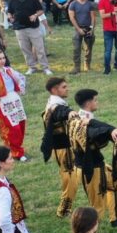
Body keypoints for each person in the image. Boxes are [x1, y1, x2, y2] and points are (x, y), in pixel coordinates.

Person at [68, 89, 117, 227]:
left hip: (91, 165)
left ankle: (115, 218)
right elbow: (96, 132)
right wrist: (110, 131)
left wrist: (110, 129)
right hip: (90, 169)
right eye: (95, 100)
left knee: (114, 183)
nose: (97, 102)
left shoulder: (76, 117)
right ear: (89, 103)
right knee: (97, 205)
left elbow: (95, 124)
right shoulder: (84, 124)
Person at [40, 77, 81, 219]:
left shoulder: (55, 102)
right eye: (63, 87)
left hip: (64, 147)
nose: (67, 88)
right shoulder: (56, 105)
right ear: (54, 90)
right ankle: (63, 210)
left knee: (72, 176)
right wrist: (69, 113)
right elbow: (60, 112)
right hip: (64, 148)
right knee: (70, 178)